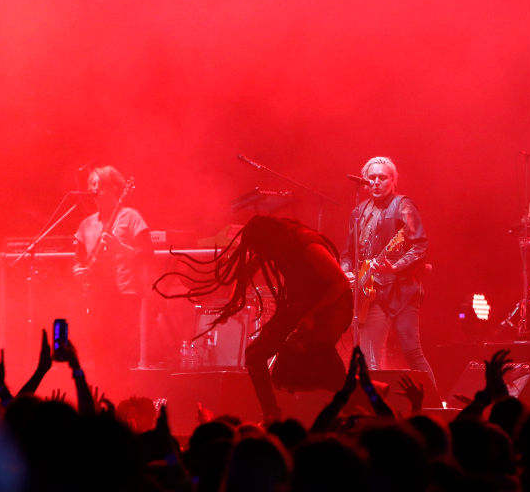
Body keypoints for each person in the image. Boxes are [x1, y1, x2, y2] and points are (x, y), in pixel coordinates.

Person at [154, 215, 352, 421]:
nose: (261, 254)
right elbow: (248, 270)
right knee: (256, 355)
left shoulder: (307, 245)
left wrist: (312, 315)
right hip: (301, 304)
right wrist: (232, 301)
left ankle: (350, 399)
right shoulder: (274, 245)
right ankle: (271, 415)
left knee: (314, 352)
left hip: (334, 305)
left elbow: (340, 283)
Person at [340, 156, 436, 391]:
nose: (376, 182)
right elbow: (348, 253)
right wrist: (346, 272)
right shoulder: (358, 212)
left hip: (402, 289)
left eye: (382, 178)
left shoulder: (403, 205)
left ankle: (433, 401)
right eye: (371, 178)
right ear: (365, 182)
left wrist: (395, 266)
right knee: (369, 356)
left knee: (412, 350)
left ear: (393, 181)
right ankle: (378, 402)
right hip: (370, 291)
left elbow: (420, 245)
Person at [71, 166, 152, 387]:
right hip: (97, 297)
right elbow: (77, 260)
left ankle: (121, 398)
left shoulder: (131, 217)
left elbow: (148, 254)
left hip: (125, 295)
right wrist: (78, 271)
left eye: (98, 185)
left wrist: (121, 248)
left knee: (120, 357)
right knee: (99, 355)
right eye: (91, 185)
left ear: (114, 188)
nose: (93, 190)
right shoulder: (87, 224)